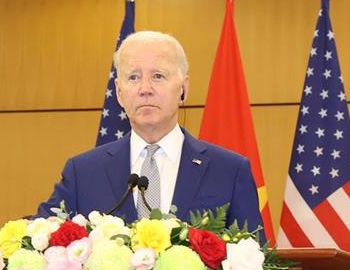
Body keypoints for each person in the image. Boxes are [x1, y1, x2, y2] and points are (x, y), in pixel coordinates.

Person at [37, 31, 264, 238]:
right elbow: (40, 238)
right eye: (133, 77)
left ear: (183, 89)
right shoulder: (83, 172)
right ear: (118, 92)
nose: (145, 88)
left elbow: (256, 262)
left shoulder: (229, 171)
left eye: (157, 76)